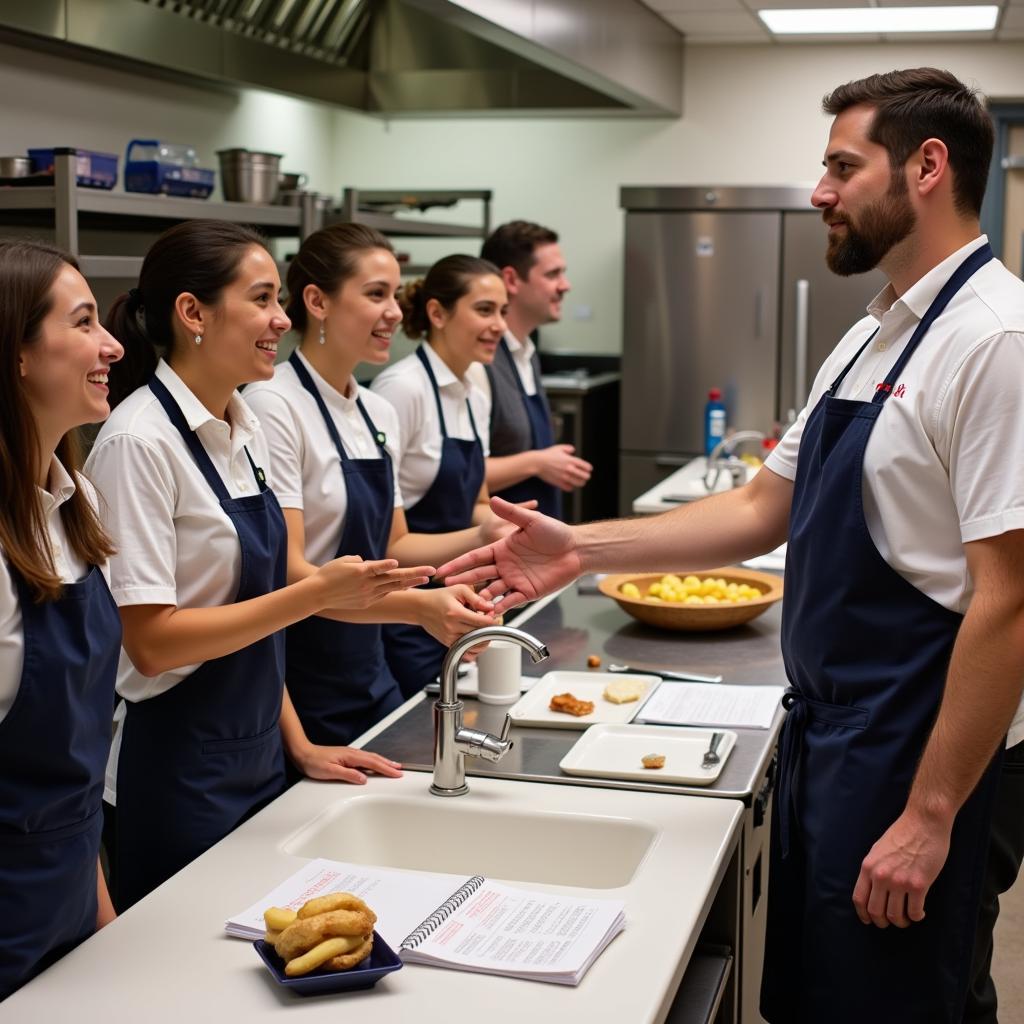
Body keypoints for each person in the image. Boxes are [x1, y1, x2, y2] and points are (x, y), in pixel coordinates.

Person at [438, 69, 1024, 1024]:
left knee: (903, 1002)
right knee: (821, 993)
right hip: (841, 740)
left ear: (927, 167)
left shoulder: (996, 339)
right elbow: (761, 507)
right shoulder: (873, 334)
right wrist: (580, 550)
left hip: (923, 752)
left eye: (842, 165)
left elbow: (1011, 601)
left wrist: (929, 817)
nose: (820, 192)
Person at [87, 221, 430, 911]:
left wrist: (299, 746)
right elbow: (152, 645)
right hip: (178, 771)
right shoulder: (138, 443)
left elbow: (252, 619)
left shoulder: (242, 431)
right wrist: (310, 596)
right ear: (193, 314)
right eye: (264, 298)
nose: (282, 318)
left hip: (257, 756)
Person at [244, 224, 503, 747]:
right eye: (375, 294)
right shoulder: (274, 404)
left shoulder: (375, 410)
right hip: (304, 671)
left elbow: (395, 545)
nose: (394, 311)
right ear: (317, 301)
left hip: (370, 662)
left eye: (393, 293)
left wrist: (488, 537)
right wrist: (419, 607)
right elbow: (291, 570)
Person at [0, 241, 123, 998]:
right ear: (15, 354)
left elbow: (78, 784)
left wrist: (104, 918)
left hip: (71, 898)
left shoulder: (79, 505)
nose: (110, 344)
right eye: (82, 322)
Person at [370, 255, 509, 697]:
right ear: (437, 313)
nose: (500, 325)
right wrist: (480, 536)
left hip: (457, 600)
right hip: (403, 611)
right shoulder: (401, 389)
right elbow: (385, 538)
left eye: (502, 311)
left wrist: (499, 531)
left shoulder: (476, 388)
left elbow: (477, 503)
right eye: (485, 310)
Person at [475, 221, 591, 519]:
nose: (565, 285)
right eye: (553, 274)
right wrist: (539, 463)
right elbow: (458, 477)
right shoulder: (479, 364)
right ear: (511, 280)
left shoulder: (526, 352)